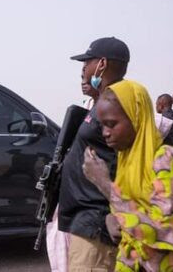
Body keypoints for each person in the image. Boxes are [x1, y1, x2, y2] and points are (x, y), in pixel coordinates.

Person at [83, 80, 173, 271]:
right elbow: (130, 211)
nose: (105, 133)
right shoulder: (126, 160)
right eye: (102, 125)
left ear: (136, 117)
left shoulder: (166, 160)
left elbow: (159, 231)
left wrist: (105, 185)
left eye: (112, 124)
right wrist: (112, 219)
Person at [58, 37, 129, 271]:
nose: (83, 68)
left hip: (97, 220)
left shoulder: (117, 101)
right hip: (86, 219)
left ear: (102, 64)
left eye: (87, 62)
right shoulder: (103, 101)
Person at [46, 74, 99, 272]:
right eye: (81, 78)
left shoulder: (110, 106)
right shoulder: (86, 106)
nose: (83, 83)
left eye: (88, 78)